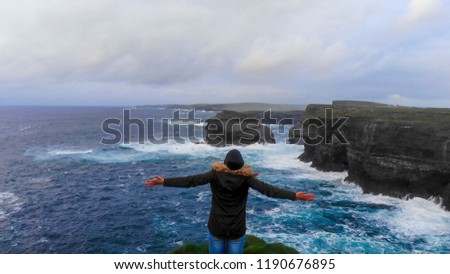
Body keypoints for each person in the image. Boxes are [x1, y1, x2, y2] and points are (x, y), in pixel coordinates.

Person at [145, 149, 315, 254]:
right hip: (237, 230)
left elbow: (190, 181)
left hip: (216, 228)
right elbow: (269, 190)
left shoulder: (214, 175)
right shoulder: (247, 179)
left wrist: (164, 181)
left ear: (225, 163)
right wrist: (294, 195)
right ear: (241, 165)